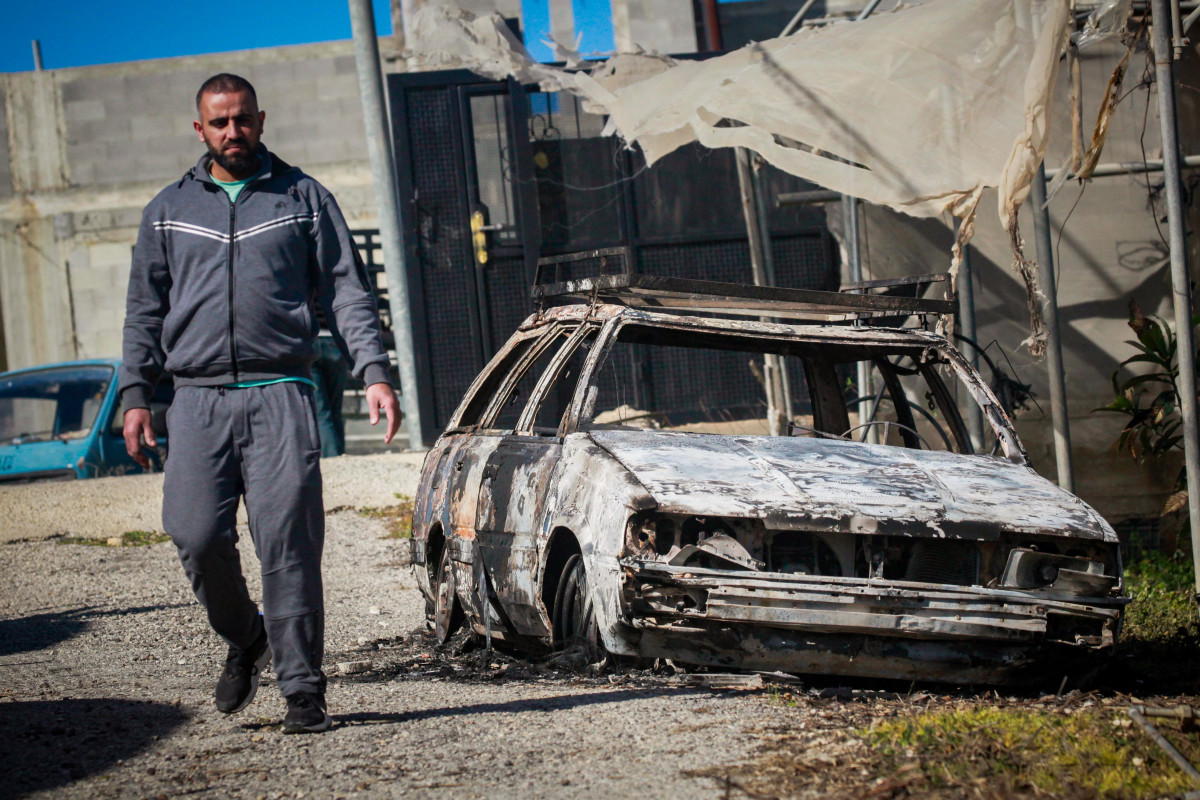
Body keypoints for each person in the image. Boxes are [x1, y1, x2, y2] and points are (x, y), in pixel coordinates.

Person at [119, 73, 400, 734]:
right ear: (200, 130)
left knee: (288, 546)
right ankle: (247, 635)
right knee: (195, 533)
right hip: (196, 399)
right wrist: (136, 393)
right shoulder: (168, 210)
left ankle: (303, 690)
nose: (232, 133)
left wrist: (376, 372)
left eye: (242, 119)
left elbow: (347, 292)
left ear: (261, 119)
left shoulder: (304, 199)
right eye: (219, 123)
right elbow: (142, 312)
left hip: (281, 393)